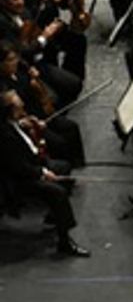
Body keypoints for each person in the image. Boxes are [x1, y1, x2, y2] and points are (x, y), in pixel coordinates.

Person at [0, 89, 89, 257]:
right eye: (19, 105)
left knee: (63, 167)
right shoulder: (5, 136)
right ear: (10, 110)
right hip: (18, 180)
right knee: (58, 192)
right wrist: (43, 173)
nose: (23, 106)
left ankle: (55, 216)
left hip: (29, 166)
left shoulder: (14, 124)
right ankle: (65, 242)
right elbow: (19, 169)